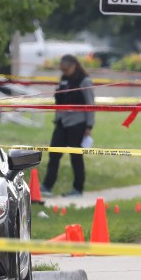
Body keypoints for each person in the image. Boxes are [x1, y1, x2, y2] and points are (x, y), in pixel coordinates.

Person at [41, 55, 95, 198]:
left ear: (74, 66)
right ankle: (46, 186)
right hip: (61, 122)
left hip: (77, 124)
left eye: (67, 69)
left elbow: (91, 105)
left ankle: (78, 188)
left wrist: (89, 126)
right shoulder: (64, 79)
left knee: (75, 157)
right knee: (54, 154)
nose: (64, 72)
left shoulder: (85, 81)